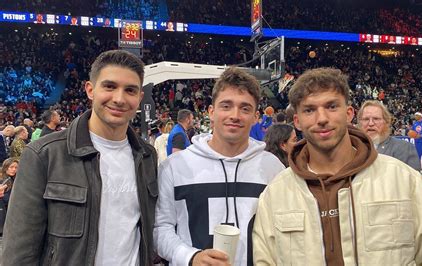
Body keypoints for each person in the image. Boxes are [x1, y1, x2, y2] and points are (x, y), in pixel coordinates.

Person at [252, 68, 422, 265]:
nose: (322, 118)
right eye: (309, 110)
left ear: (349, 113)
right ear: (297, 121)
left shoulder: (404, 180)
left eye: (332, 106)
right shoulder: (276, 193)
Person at [3, 50, 158, 265]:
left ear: (140, 98)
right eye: (110, 86)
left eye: (130, 90)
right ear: (90, 90)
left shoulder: (147, 156)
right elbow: (18, 252)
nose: (119, 99)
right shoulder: (44, 154)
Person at [155, 67, 285, 266]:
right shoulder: (175, 167)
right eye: (226, 106)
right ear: (211, 112)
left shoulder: (272, 167)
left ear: (255, 117)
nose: (235, 115)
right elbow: (161, 228)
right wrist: (190, 256)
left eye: (245, 108)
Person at [358, 100, 421, 171]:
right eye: (366, 119)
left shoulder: (405, 148)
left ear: (387, 122)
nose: (371, 123)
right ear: (360, 123)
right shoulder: (353, 149)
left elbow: (413, 181)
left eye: (376, 119)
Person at [0, 158, 19, 234]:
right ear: (6, 167)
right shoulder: (3, 181)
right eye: (11, 167)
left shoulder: (15, 180)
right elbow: (6, 199)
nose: (14, 170)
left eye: (16, 168)